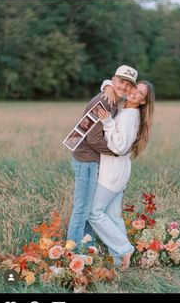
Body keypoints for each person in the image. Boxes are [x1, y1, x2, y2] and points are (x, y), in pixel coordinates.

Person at [66, 65, 138, 250]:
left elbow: (109, 85)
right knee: (82, 209)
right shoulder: (106, 101)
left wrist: (107, 86)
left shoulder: (113, 98)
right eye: (121, 82)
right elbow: (92, 139)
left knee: (89, 208)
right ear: (113, 80)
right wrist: (117, 151)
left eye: (129, 84)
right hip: (86, 159)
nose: (124, 87)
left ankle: (87, 248)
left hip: (92, 159)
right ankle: (72, 252)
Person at [88, 80, 155, 271]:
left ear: (143, 102)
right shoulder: (124, 107)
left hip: (113, 173)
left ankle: (125, 249)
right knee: (112, 214)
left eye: (140, 94)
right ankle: (118, 261)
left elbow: (120, 147)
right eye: (135, 88)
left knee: (94, 213)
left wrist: (108, 123)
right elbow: (112, 82)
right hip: (118, 171)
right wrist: (107, 86)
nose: (134, 93)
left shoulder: (130, 116)